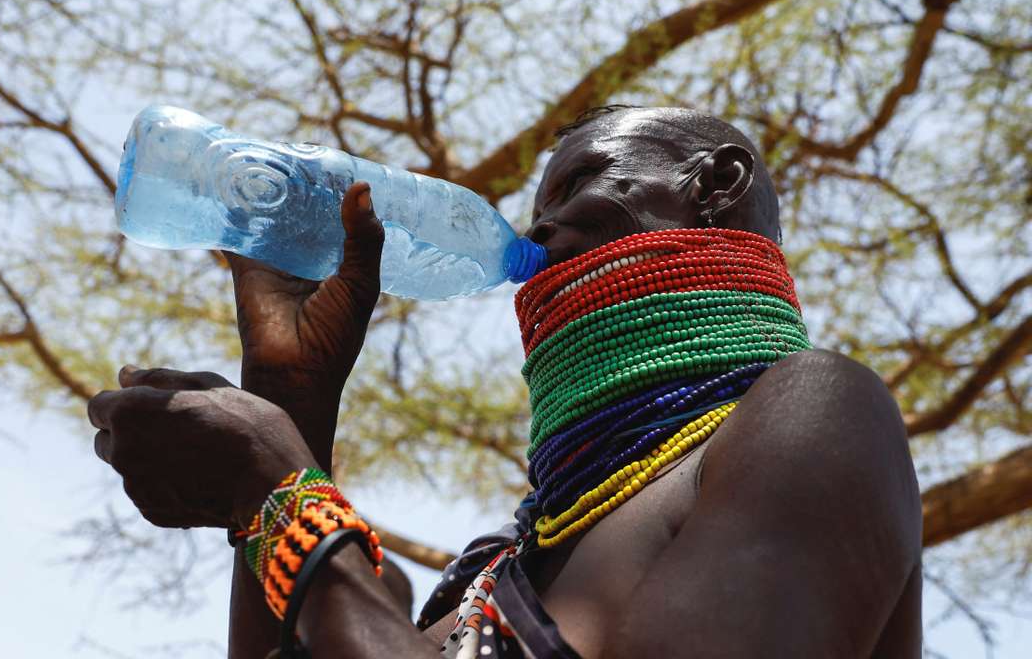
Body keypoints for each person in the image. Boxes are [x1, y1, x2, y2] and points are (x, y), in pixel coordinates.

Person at [87, 106, 923, 658]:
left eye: (579, 183)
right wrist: (291, 399)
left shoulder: (818, 412)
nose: (543, 227)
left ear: (716, 183)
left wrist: (283, 495)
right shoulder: (494, 573)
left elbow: (309, 542)